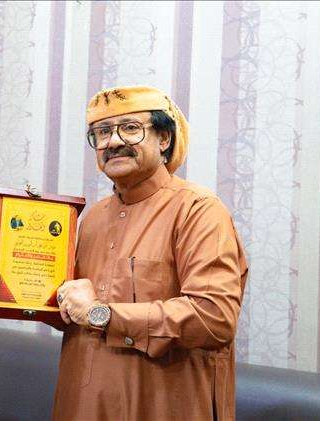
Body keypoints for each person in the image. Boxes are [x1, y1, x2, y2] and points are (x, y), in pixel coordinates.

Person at [54, 85, 249, 420]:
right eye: (102, 132)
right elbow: (77, 311)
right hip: (83, 404)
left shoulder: (198, 210)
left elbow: (214, 317)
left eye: (131, 128)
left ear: (164, 139)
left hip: (163, 406)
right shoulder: (91, 219)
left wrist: (101, 314)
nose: (113, 141)